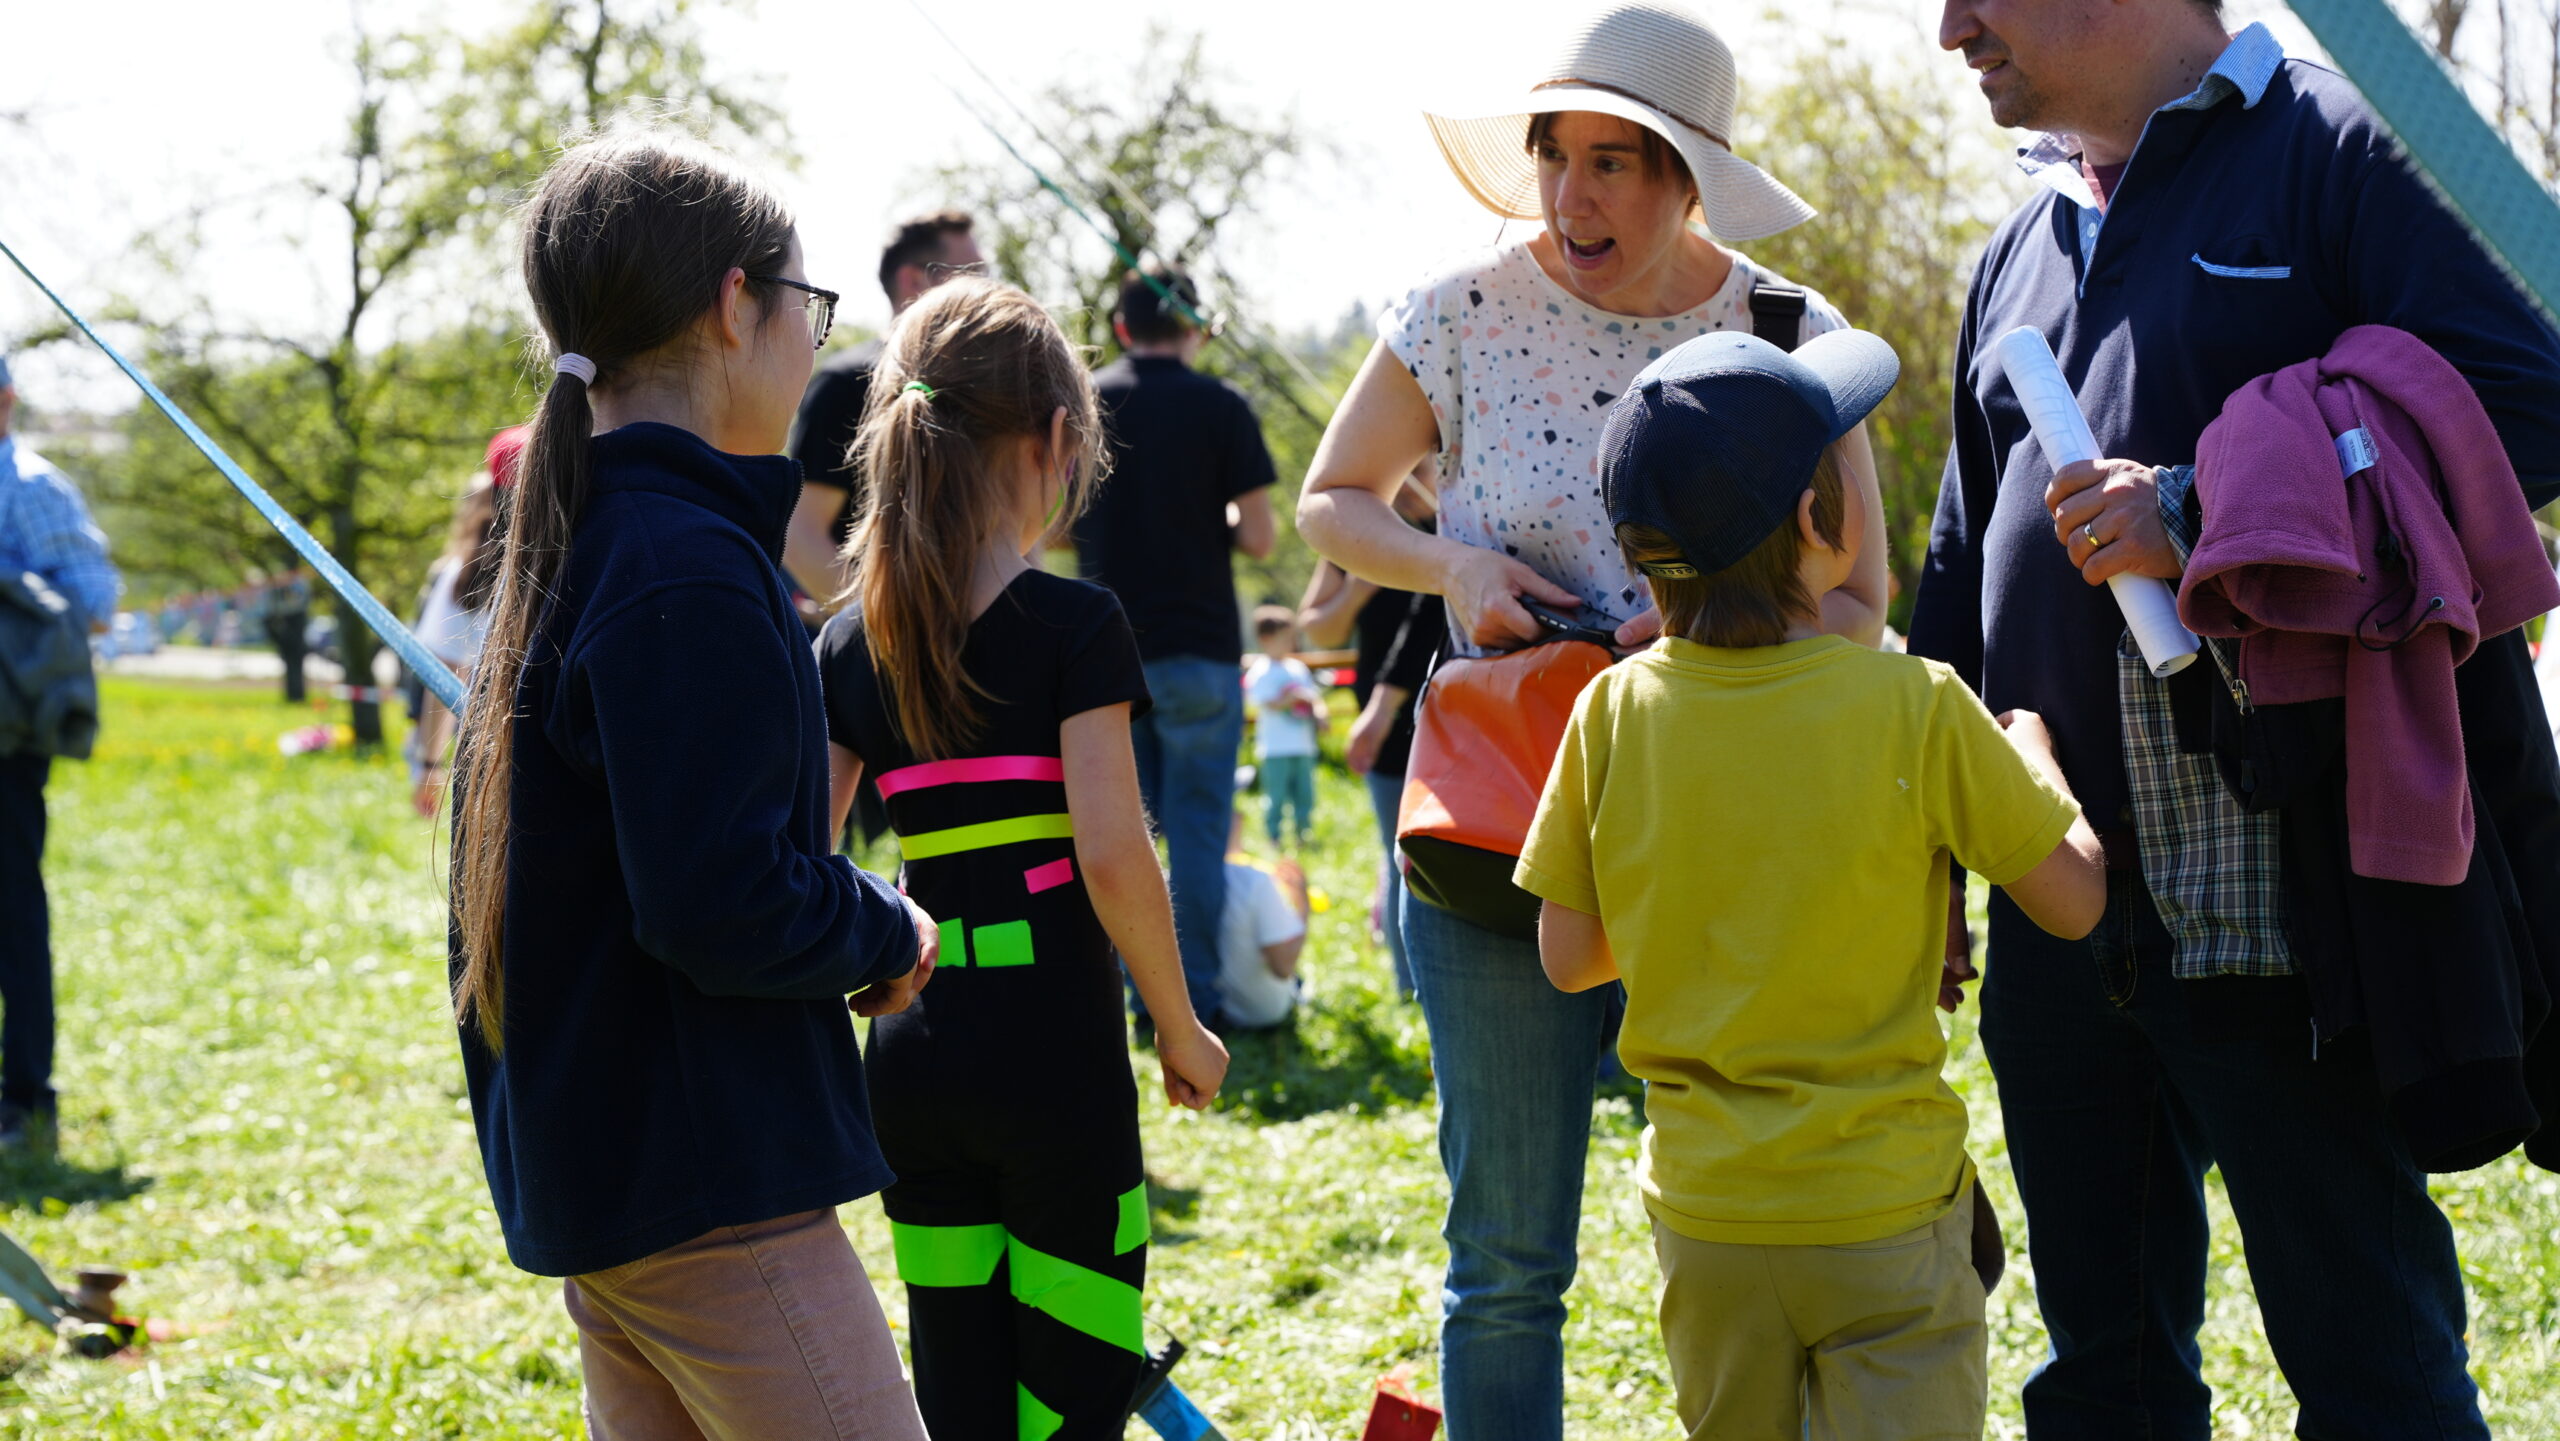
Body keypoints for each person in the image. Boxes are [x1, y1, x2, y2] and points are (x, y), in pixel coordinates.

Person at [1913, 4, 2560, 1435]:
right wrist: (1928, 848)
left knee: (2372, 1370)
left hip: (2288, 893)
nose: (1951, 27)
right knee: (2102, 1379)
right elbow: (1960, 565)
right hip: (2052, 897)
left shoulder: (2343, 149)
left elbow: (2531, 403)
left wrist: (2206, 508)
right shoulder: (2020, 243)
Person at [1294, 6, 1889, 1432]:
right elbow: (1332, 500)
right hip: (1500, 835)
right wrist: (1453, 568)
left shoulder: (1787, 334)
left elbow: (1862, 598)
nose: (1570, 194)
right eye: (1553, 154)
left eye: (1614, 161)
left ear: (1691, 179)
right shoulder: (1461, 311)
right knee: (1505, 1263)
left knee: (1773, 1228)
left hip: (1729, 837)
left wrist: (1711, 632)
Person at [1520, 328, 2105, 1440]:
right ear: (1814, 519)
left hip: (1706, 1215)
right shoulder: (1916, 704)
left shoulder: (1612, 711)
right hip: (1882, 1210)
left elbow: (1569, 955)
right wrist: (2033, 757)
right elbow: (2073, 900)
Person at [447, 129, 933, 1440]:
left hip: (623, 1181)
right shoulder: (680, 565)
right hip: (707, 1188)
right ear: (734, 304)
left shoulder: (596, 538)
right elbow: (721, 898)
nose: (809, 348)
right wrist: (884, 925)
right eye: (806, 308)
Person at [815, 276, 1228, 1440]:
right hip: (1055, 1055)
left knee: (958, 1382)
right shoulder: (1076, 628)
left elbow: (804, 857)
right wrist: (1180, 1024)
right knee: (1075, 1383)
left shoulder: (846, 643)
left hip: (910, 1059)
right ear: (1055, 438)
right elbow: (1112, 853)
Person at [1075, 263, 1280, 1029]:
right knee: (1196, 831)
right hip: (1200, 651)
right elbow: (1260, 537)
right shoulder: (1223, 405)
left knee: (1126, 832)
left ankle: (1142, 999)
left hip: (1105, 655)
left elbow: (1050, 523)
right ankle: (1197, 1000)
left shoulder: (1087, 402)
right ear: (1193, 326)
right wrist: (1204, 515)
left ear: (1122, 328)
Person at [0, 351, 120, 1152]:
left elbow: (95, 604)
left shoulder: (32, 487)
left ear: (6, 399)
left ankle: (23, 1100)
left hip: (7, 736)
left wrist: (12, 587)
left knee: (11, 910)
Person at [784, 209, 984, 614]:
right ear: (914, 281)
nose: (987, 290)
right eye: (972, 275)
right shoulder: (846, 385)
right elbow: (801, 536)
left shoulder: (982, 384)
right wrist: (889, 627)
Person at [1298, 473, 1442, 996]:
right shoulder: (1355, 534)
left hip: (1449, 713)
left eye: (1418, 469)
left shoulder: (1452, 525)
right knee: (1397, 853)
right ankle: (1409, 987)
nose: (1406, 483)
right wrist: (1356, 590)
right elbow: (1319, 629)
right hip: (1382, 728)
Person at [409, 429, 516, 817]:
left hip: (494, 761)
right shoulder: (468, 574)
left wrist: (429, 764)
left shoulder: (465, 573)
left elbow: (444, 677)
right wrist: (430, 765)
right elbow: (447, 671)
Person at [1218, 810, 1309, 1031]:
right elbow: (1283, 967)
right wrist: (1303, 908)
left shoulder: (1171, 876)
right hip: (1261, 1013)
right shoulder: (1254, 882)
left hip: (1200, 1011)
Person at [1243, 605, 1323, 851]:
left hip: (1302, 744)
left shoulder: (1297, 668)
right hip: (1275, 747)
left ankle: (1303, 834)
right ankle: (1273, 837)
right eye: (1285, 637)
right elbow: (1262, 701)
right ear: (1266, 639)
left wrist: (1320, 714)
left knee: (1304, 794)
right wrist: (1289, 700)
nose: (1291, 642)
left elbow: (1314, 697)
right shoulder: (1261, 671)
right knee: (1276, 795)